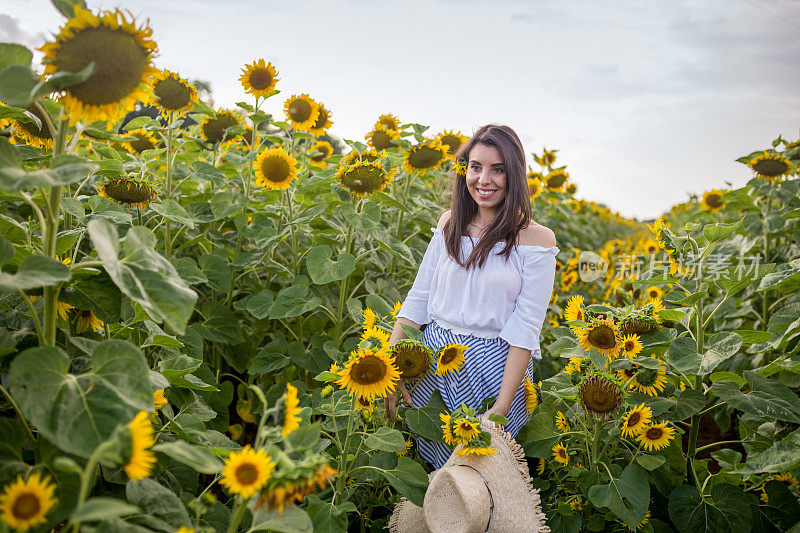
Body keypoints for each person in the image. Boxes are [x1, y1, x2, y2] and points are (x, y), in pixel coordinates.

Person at [386, 124, 559, 469]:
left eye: (498, 169)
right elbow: (418, 298)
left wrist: (503, 406)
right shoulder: (450, 222)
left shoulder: (536, 239)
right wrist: (389, 369)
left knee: (483, 480)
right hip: (431, 364)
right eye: (476, 167)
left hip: (493, 369)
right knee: (433, 477)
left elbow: (526, 327)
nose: (484, 179)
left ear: (515, 175)